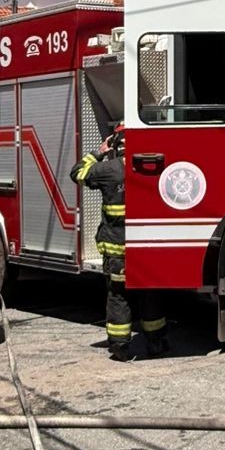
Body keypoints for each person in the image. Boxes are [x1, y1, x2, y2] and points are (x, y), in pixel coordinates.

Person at [70, 125, 169, 361]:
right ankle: (156, 344)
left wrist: (98, 152)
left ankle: (120, 348)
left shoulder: (108, 170)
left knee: (118, 296)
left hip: (116, 251)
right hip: (146, 249)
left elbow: (78, 173)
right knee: (150, 294)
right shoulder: (152, 168)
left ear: (116, 146)